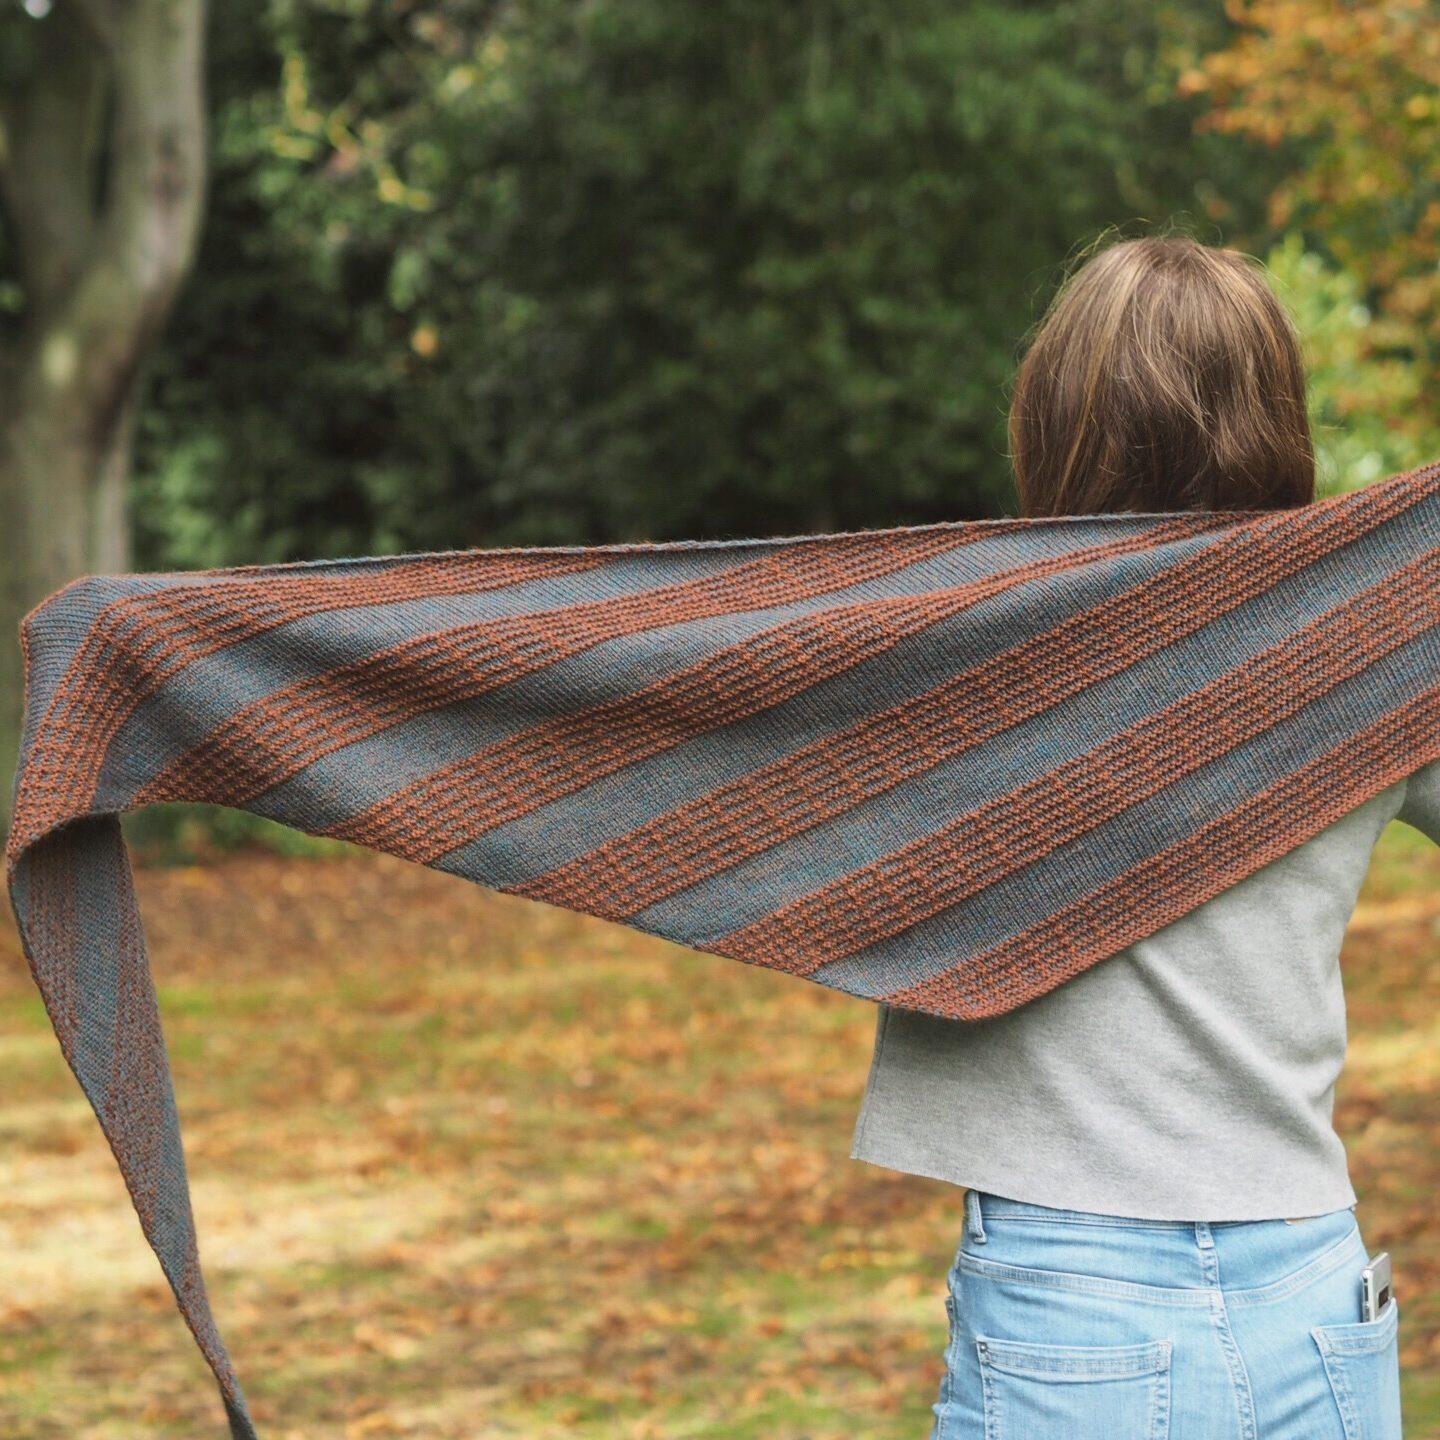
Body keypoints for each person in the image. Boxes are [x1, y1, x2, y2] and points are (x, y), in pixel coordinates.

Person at [849, 232, 1430, 1440]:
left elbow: (692, 732)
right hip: (1314, 1286)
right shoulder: (1365, 653)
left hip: (1072, 1299)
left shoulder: (972, 650)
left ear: (1057, 414)